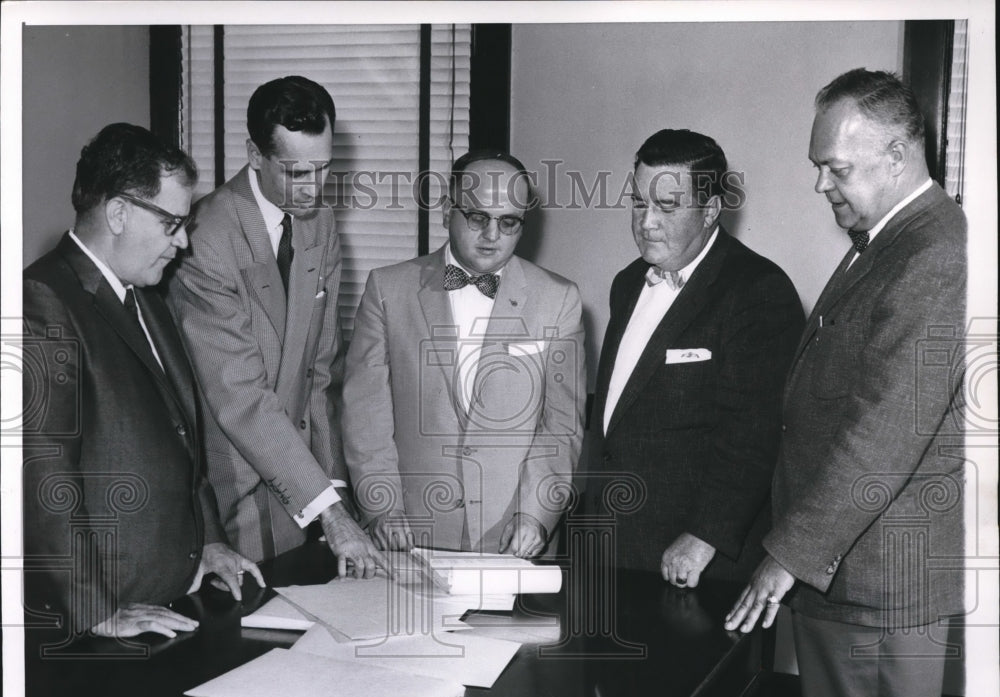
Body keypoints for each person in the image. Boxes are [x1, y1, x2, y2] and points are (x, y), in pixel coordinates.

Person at [725, 69, 967, 697]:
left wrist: (788, 553)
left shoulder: (936, 254)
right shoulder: (890, 239)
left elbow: (881, 435)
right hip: (852, 572)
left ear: (897, 156)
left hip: (878, 580)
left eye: (836, 167)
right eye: (817, 166)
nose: (820, 185)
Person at [22, 123, 264, 639]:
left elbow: (182, 438)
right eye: (173, 223)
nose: (182, 242)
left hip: (175, 597)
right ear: (118, 213)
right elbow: (45, 474)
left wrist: (211, 542)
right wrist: (96, 612)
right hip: (105, 618)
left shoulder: (147, 296)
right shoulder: (41, 301)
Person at [168, 76, 385, 577]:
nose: (314, 188)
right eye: (297, 173)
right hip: (235, 493)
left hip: (308, 493)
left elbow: (319, 376)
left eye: (324, 168)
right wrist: (329, 511)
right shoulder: (206, 240)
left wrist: (337, 494)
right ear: (255, 155)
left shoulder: (319, 221)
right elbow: (241, 398)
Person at [342, 151, 585, 556]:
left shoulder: (559, 299)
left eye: (508, 222)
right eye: (477, 217)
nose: (492, 235)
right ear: (445, 211)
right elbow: (365, 418)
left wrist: (535, 515)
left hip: (514, 537)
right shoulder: (387, 290)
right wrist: (382, 508)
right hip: (408, 534)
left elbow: (562, 426)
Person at [590, 129, 804, 583]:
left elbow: (757, 434)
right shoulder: (627, 283)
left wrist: (704, 535)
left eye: (667, 207)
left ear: (710, 211)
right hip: (613, 545)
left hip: (694, 560)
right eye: (637, 203)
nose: (645, 222)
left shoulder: (758, 290)